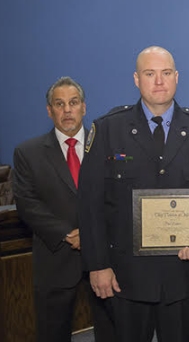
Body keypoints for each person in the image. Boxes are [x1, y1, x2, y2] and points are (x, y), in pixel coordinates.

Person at [78, 46, 189, 342]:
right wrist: (98, 265)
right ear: (137, 79)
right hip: (126, 276)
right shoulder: (109, 129)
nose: (159, 81)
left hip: (181, 272)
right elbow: (90, 204)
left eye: (165, 74)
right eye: (150, 74)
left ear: (176, 78)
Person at [12, 76, 115, 342]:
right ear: (49, 110)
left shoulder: (108, 147)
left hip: (105, 258)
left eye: (73, 102)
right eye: (59, 104)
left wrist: (94, 234)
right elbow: (27, 203)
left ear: (83, 107)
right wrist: (68, 233)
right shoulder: (28, 152)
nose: (67, 110)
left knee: (113, 331)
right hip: (55, 259)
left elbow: (118, 197)